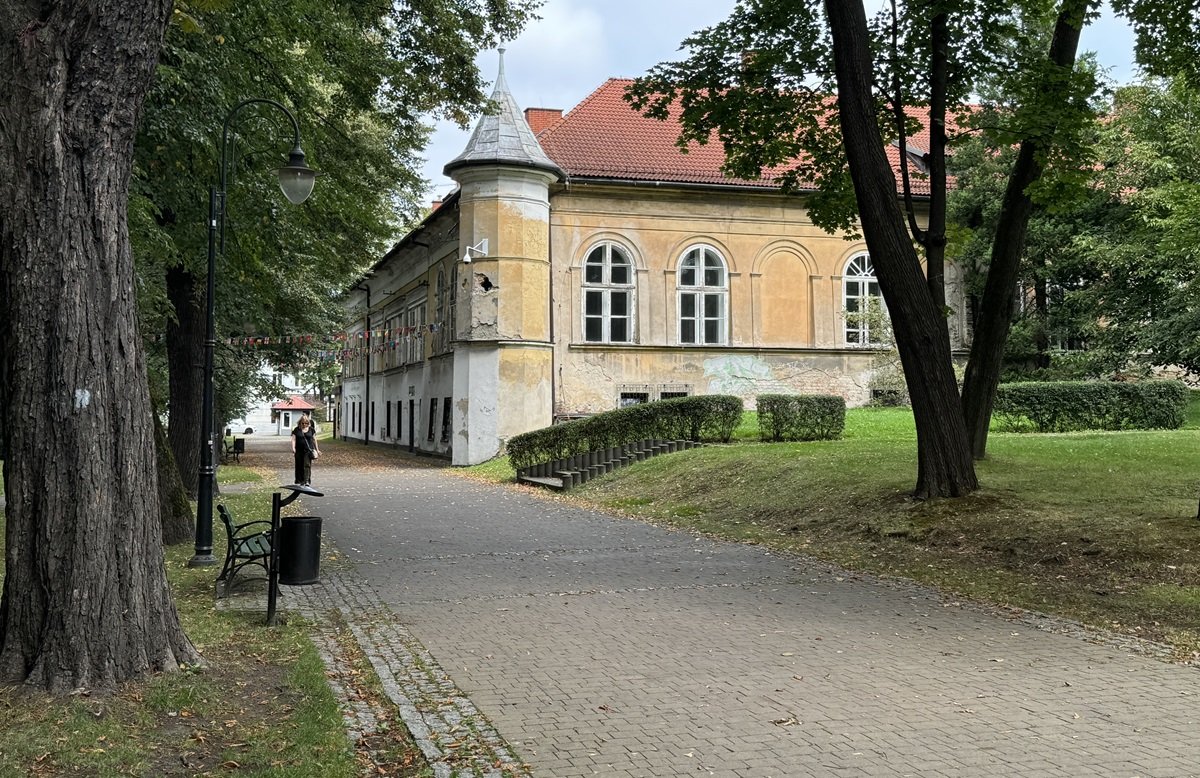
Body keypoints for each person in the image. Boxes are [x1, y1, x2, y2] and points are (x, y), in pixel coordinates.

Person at [290, 416, 320, 486]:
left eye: (306, 423)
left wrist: (317, 450)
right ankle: (299, 481)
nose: (304, 425)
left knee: (307, 465)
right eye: (302, 423)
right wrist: (293, 448)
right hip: (299, 450)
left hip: (308, 451)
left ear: (308, 423)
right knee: (299, 465)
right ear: (300, 423)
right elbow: (293, 439)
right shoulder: (297, 430)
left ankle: (306, 481)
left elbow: (314, 439)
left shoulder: (311, 430)